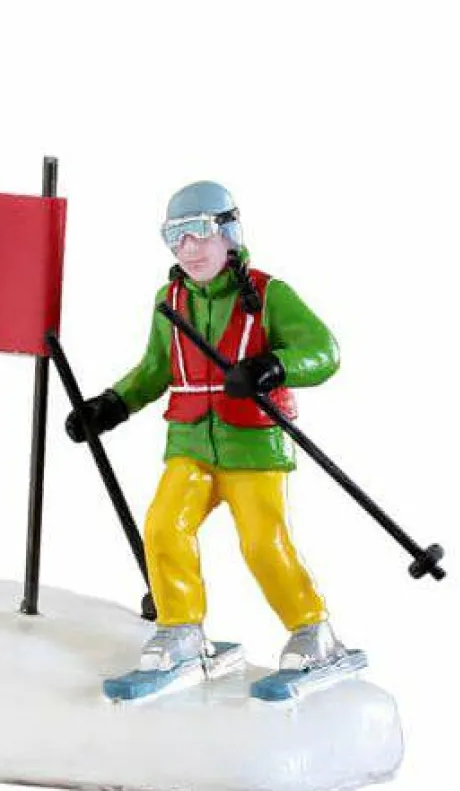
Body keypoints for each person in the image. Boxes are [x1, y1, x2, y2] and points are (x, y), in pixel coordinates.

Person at [66, 181, 351, 694]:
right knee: (163, 527)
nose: (188, 248)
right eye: (174, 237)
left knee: (262, 542)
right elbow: (155, 369)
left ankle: (313, 630)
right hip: (191, 442)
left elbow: (324, 352)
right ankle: (180, 629)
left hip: (252, 446)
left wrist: (273, 366)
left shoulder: (268, 295)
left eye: (198, 232)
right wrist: (111, 405)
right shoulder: (169, 301)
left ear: (229, 233)